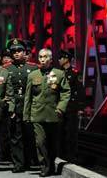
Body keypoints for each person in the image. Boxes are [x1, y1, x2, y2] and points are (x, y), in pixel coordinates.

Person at [24, 48, 70, 177]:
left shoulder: (59, 74)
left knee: (53, 142)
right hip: (37, 114)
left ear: (50, 59)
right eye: (40, 57)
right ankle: (44, 166)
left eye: (45, 57)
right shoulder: (33, 75)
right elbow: (28, 96)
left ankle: (50, 164)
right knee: (40, 142)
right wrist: (26, 115)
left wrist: (61, 108)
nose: (42, 59)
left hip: (54, 114)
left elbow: (65, 92)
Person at [5, 39, 37, 172]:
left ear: (25, 52)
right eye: (14, 51)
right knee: (15, 137)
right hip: (14, 107)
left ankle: (29, 161)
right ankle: (18, 163)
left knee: (30, 135)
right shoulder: (6, 69)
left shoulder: (33, 68)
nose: (16, 53)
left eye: (19, 51)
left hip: (29, 106)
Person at [58, 49, 85, 163]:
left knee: (71, 132)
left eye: (61, 58)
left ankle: (72, 156)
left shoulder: (75, 73)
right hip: (60, 107)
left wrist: (80, 108)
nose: (59, 60)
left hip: (71, 107)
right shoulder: (58, 73)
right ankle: (62, 154)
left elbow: (80, 91)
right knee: (60, 132)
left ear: (66, 59)